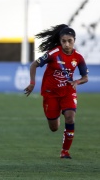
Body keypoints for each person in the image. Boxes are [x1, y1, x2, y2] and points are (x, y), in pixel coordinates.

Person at [24, 24, 88, 159]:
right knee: (54, 128)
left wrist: (76, 82)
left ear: (74, 40)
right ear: (60, 41)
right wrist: (32, 83)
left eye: (69, 41)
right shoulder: (53, 54)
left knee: (70, 117)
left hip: (68, 92)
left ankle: (65, 151)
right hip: (50, 93)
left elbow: (85, 77)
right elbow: (34, 64)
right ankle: (57, 113)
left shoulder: (78, 58)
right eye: (64, 41)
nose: (66, 44)